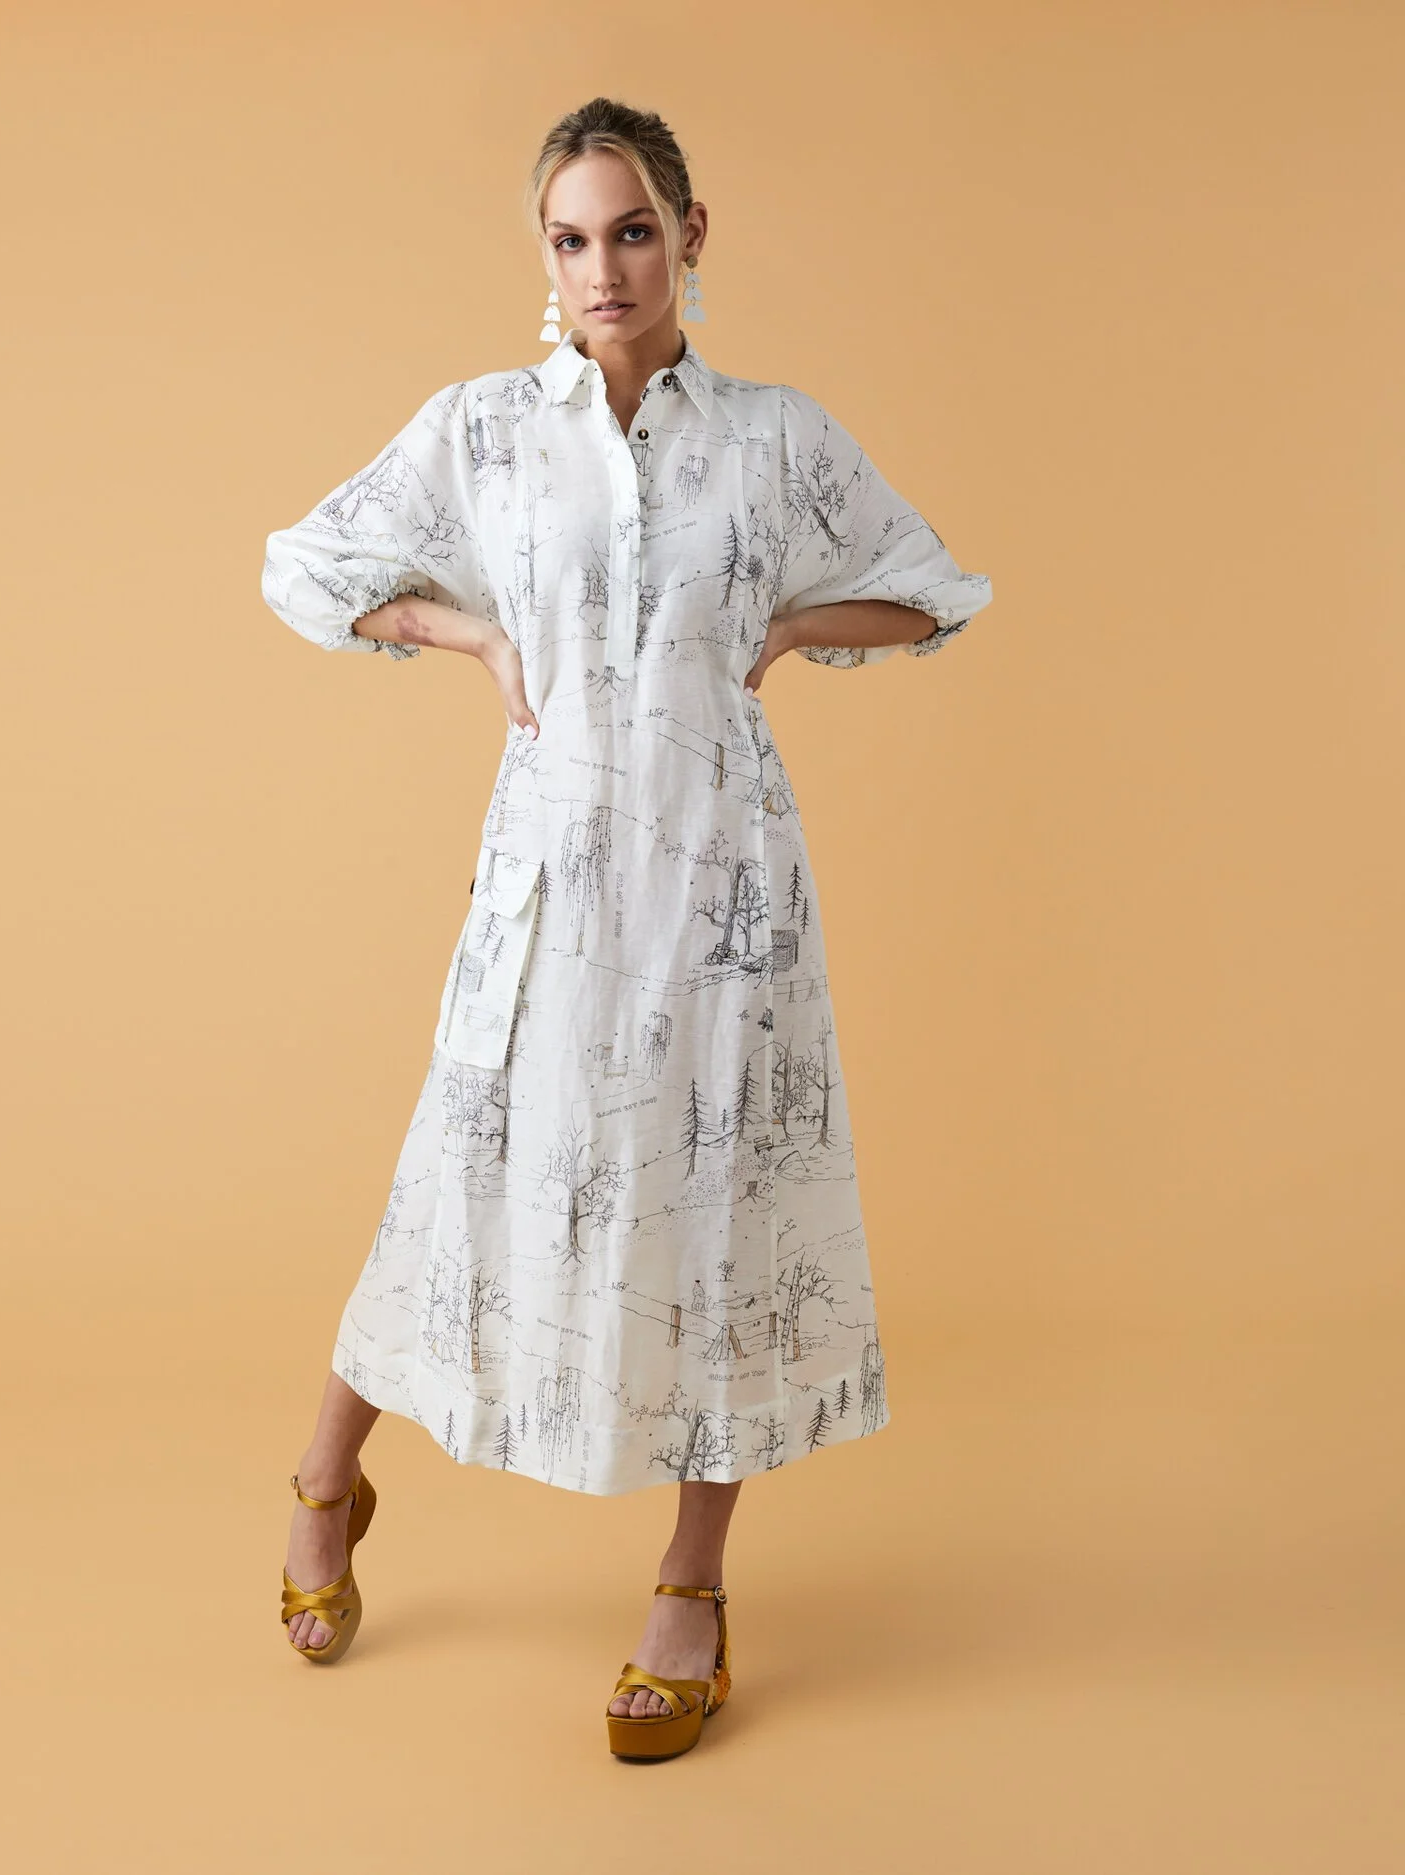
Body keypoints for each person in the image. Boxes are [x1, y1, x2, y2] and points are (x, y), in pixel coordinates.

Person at [260, 94, 993, 1761]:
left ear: (691, 236)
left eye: (635, 229)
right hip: (547, 877)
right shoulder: (485, 432)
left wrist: (793, 622)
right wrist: (460, 628)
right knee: (457, 1172)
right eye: (573, 238)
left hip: (726, 883)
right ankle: (326, 1478)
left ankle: (693, 1579)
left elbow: (939, 587)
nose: (606, 266)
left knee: (720, 1206)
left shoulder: (779, 439)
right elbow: (304, 568)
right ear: (546, 256)